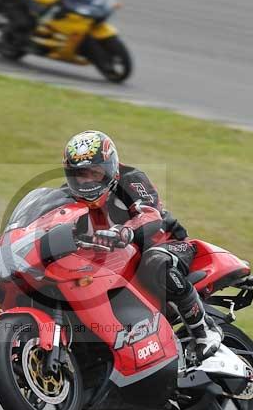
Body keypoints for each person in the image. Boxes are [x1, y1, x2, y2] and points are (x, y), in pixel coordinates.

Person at [62, 130, 224, 361]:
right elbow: (49, 225)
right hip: (116, 262)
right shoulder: (66, 196)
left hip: (167, 246)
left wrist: (125, 231)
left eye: (94, 173)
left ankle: (204, 330)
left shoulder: (130, 178)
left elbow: (151, 215)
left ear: (110, 166)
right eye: (80, 175)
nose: (87, 181)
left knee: (155, 260)